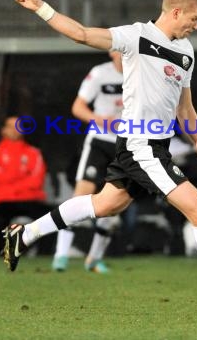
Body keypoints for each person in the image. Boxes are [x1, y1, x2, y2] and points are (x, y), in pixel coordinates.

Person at [3, 0, 197, 311]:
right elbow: (81, 33)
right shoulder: (136, 36)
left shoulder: (186, 51)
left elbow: (186, 110)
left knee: (105, 205)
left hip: (155, 147)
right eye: (194, 17)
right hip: (140, 145)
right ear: (176, 11)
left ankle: (25, 235)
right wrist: (40, 7)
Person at [52, 50, 123, 273]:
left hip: (128, 144)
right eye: (120, 48)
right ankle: (60, 255)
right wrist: (101, 121)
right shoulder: (100, 73)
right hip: (100, 142)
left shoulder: (142, 74)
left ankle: (93, 259)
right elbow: (78, 107)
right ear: (112, 52)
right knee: (81, 196)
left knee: (114, 204)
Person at [0, 116, 50, 248]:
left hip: (29, 200)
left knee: (50, 219)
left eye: (18, 126)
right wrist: (21, 182)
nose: (15, 130)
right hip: (2, 201)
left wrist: (11, 186)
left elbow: (36, 181)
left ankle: (43, 256)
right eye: (11, 126)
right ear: (3, 130)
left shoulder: (34, 153)